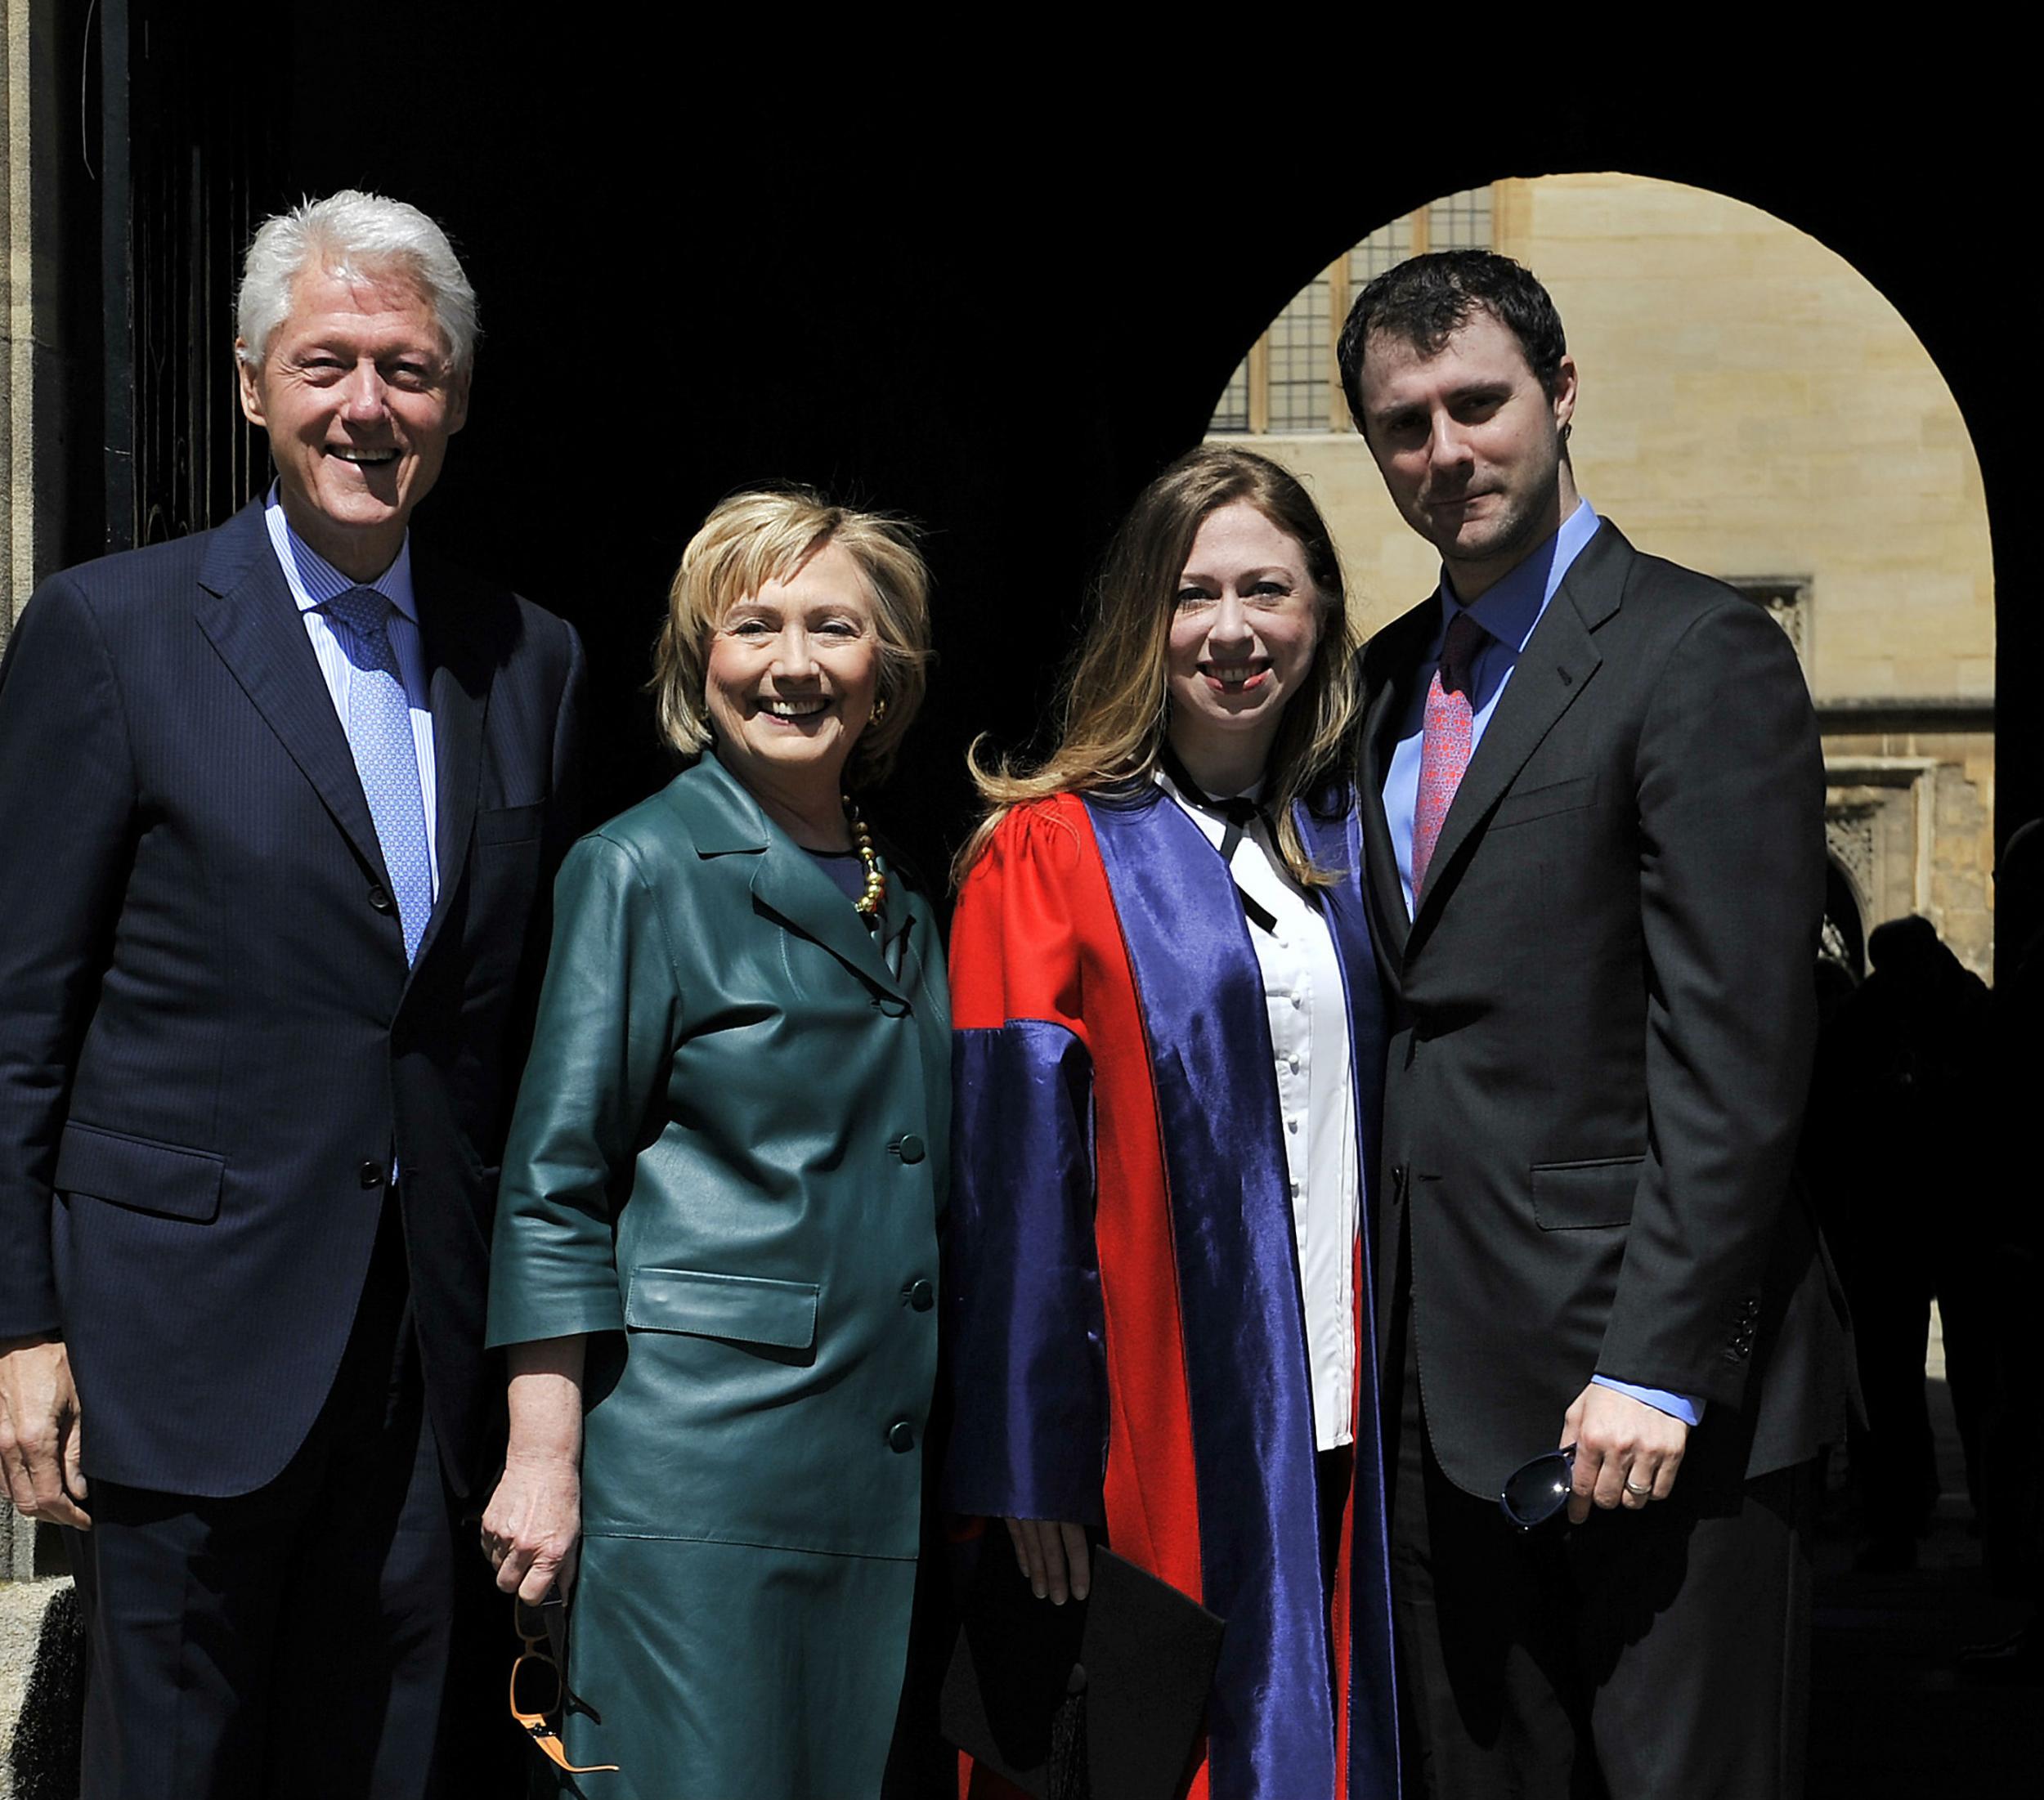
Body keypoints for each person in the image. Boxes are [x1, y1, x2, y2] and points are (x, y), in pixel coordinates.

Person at [0, 190, 585, 1797]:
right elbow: (16, 1015)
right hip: (179, 1334)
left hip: (424, 1354)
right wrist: (19, 1327)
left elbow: (510, 1025)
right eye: (326, 364)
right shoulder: (109, 634)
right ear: (256, 384)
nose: (366, 408)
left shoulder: (526, 659)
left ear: (455, 397)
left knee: (390, 1759)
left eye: (406, 369)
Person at [1337, 249, 1850, 1798]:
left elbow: (1740, 1051)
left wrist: (1661, 1360)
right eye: (1404, 425)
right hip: (1436, 1396)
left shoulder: (1701, 657)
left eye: (1479, 405)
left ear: (1561, 396)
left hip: (1646, 1405)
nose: (1447, 453)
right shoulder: (1374, 686)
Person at [944, 445, 1400, 1800]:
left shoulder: (1354, 847)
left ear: (1319, 610)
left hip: (1352, 1403)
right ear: (1145, 616)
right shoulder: (1048, 851)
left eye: (1269, 589)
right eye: (1194, 593)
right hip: (1155, 1423)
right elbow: (1015, 1180)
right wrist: (1029, 1465)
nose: (1232, 630)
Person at [480, 489, 948, 1797]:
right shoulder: (636, 868)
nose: (793, 664)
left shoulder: (902, 887)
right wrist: (543, 1457)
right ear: (702, 658)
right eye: (753, 626)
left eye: (833, 627)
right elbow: (554, 1181)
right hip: (697, 1496)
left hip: (872, 1482)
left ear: (886, 665)